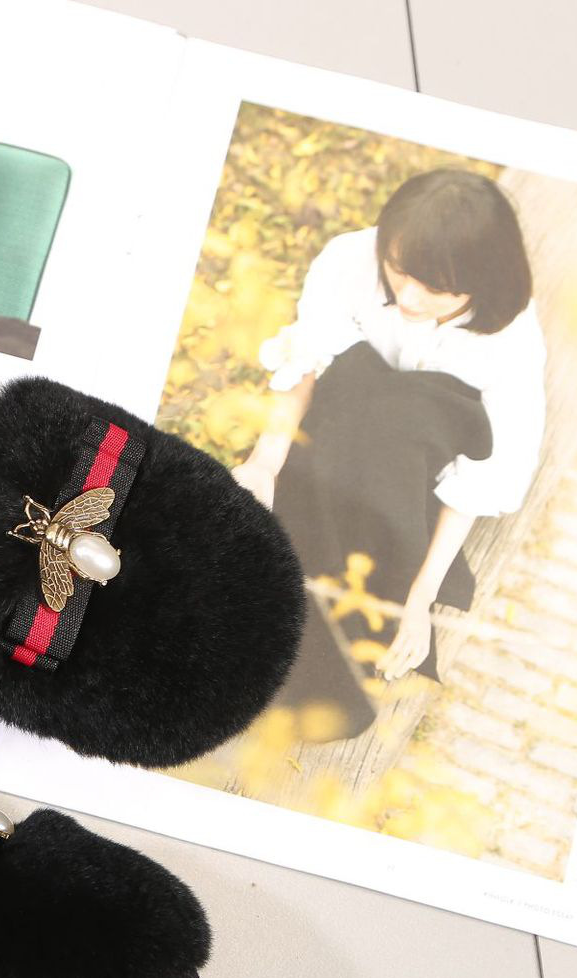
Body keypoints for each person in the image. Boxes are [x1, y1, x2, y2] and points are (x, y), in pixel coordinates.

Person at [229, 169, 548, 741]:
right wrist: (265, 463)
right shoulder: (351, 260)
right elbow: (307, 365)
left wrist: (420, 597)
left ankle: (311, 665)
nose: (407, 297)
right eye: (399, 270)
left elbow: (479, 477)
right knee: (293, 502)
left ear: (482, 282)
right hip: (336, 426)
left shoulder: (512, 342)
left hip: (412, 474)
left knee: (381, 486)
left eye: (436, 288)